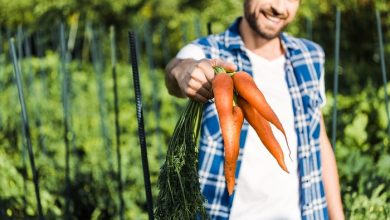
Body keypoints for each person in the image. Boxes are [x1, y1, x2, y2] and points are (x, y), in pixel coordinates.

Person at [164, 0, 344, 219]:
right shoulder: (208, 50)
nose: (279, 7)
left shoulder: (310, 56)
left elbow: (320, 141)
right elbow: (177, 69)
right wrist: (184, 72)